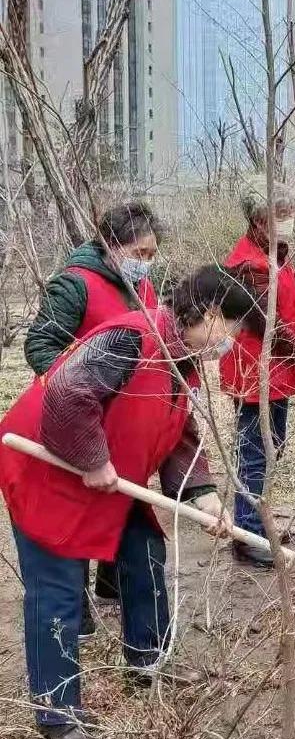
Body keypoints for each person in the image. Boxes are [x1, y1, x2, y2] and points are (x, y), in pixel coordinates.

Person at [0, 265, 251, 739]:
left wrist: (207, 498)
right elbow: (67, 393)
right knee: (58, 591)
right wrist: (92, 460)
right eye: (235, 329)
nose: (234, 341)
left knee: (144, 553)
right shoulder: (132, 337)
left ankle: (147, 661)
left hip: (114, 477)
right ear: (214, 313)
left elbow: (179, 437)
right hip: (49, 472)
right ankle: (58, 711)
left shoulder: (184, 363)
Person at [24, 201, 164, 627]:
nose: (146, 263)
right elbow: (40, 346)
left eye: (151, 255)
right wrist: (82, 389)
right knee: (76, 510)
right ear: (111, 245)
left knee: (119, 502)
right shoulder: (75, 284)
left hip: (123, 423)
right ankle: (76, 607)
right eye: (140, 254)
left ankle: (112, 581)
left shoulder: (141, 287)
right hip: (77, 420)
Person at [221, 179, 295, 567]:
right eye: (280, 215)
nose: (289, 221)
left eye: (291, 214)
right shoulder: (249, 265)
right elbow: (272, 330)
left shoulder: (272, 251)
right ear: (259, 219)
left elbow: (283, 277)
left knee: (272, 447)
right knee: (255, 452)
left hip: (276, 371)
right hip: (256, 373)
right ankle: (248, 534)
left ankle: (257, 521)